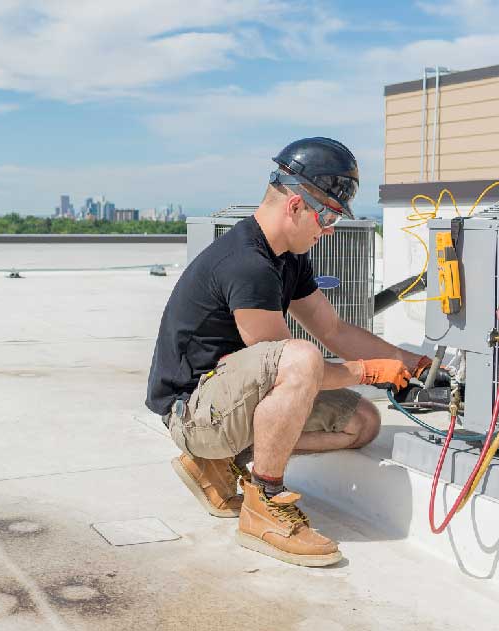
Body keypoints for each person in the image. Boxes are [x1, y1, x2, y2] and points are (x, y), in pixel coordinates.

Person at [145, 137, 432, 567]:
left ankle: (216, 464)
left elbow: (333, 329)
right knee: (300, 357)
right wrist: (370, 372)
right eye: (329, 215)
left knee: (362, 422)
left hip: (228, 404)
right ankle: (265, 500)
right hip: (195, 415)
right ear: (296, 206)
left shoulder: (287, 257)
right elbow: (291, 367)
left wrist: (408, 363)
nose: (330, 229)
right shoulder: (248, 264)